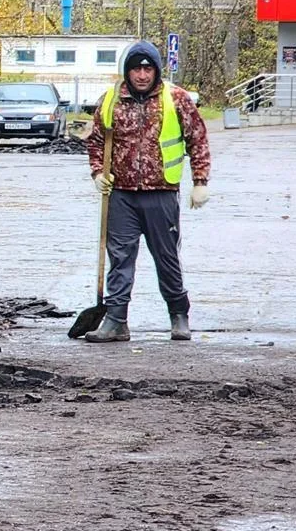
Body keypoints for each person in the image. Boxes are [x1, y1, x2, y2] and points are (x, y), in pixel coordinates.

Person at [83, 41, 212, 344]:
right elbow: (96, 141)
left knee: (166, 258)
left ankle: (179, 316)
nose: (141, 75)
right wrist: (98, 172)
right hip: (122, 194)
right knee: (120, 257)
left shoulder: (176, 99)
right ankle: (116, 321)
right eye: (136, 68)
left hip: (161, 193)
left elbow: (198, 140)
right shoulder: (111, 99)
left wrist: (200, 181)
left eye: (147, 68)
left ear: (156, 70)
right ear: (127, 71)